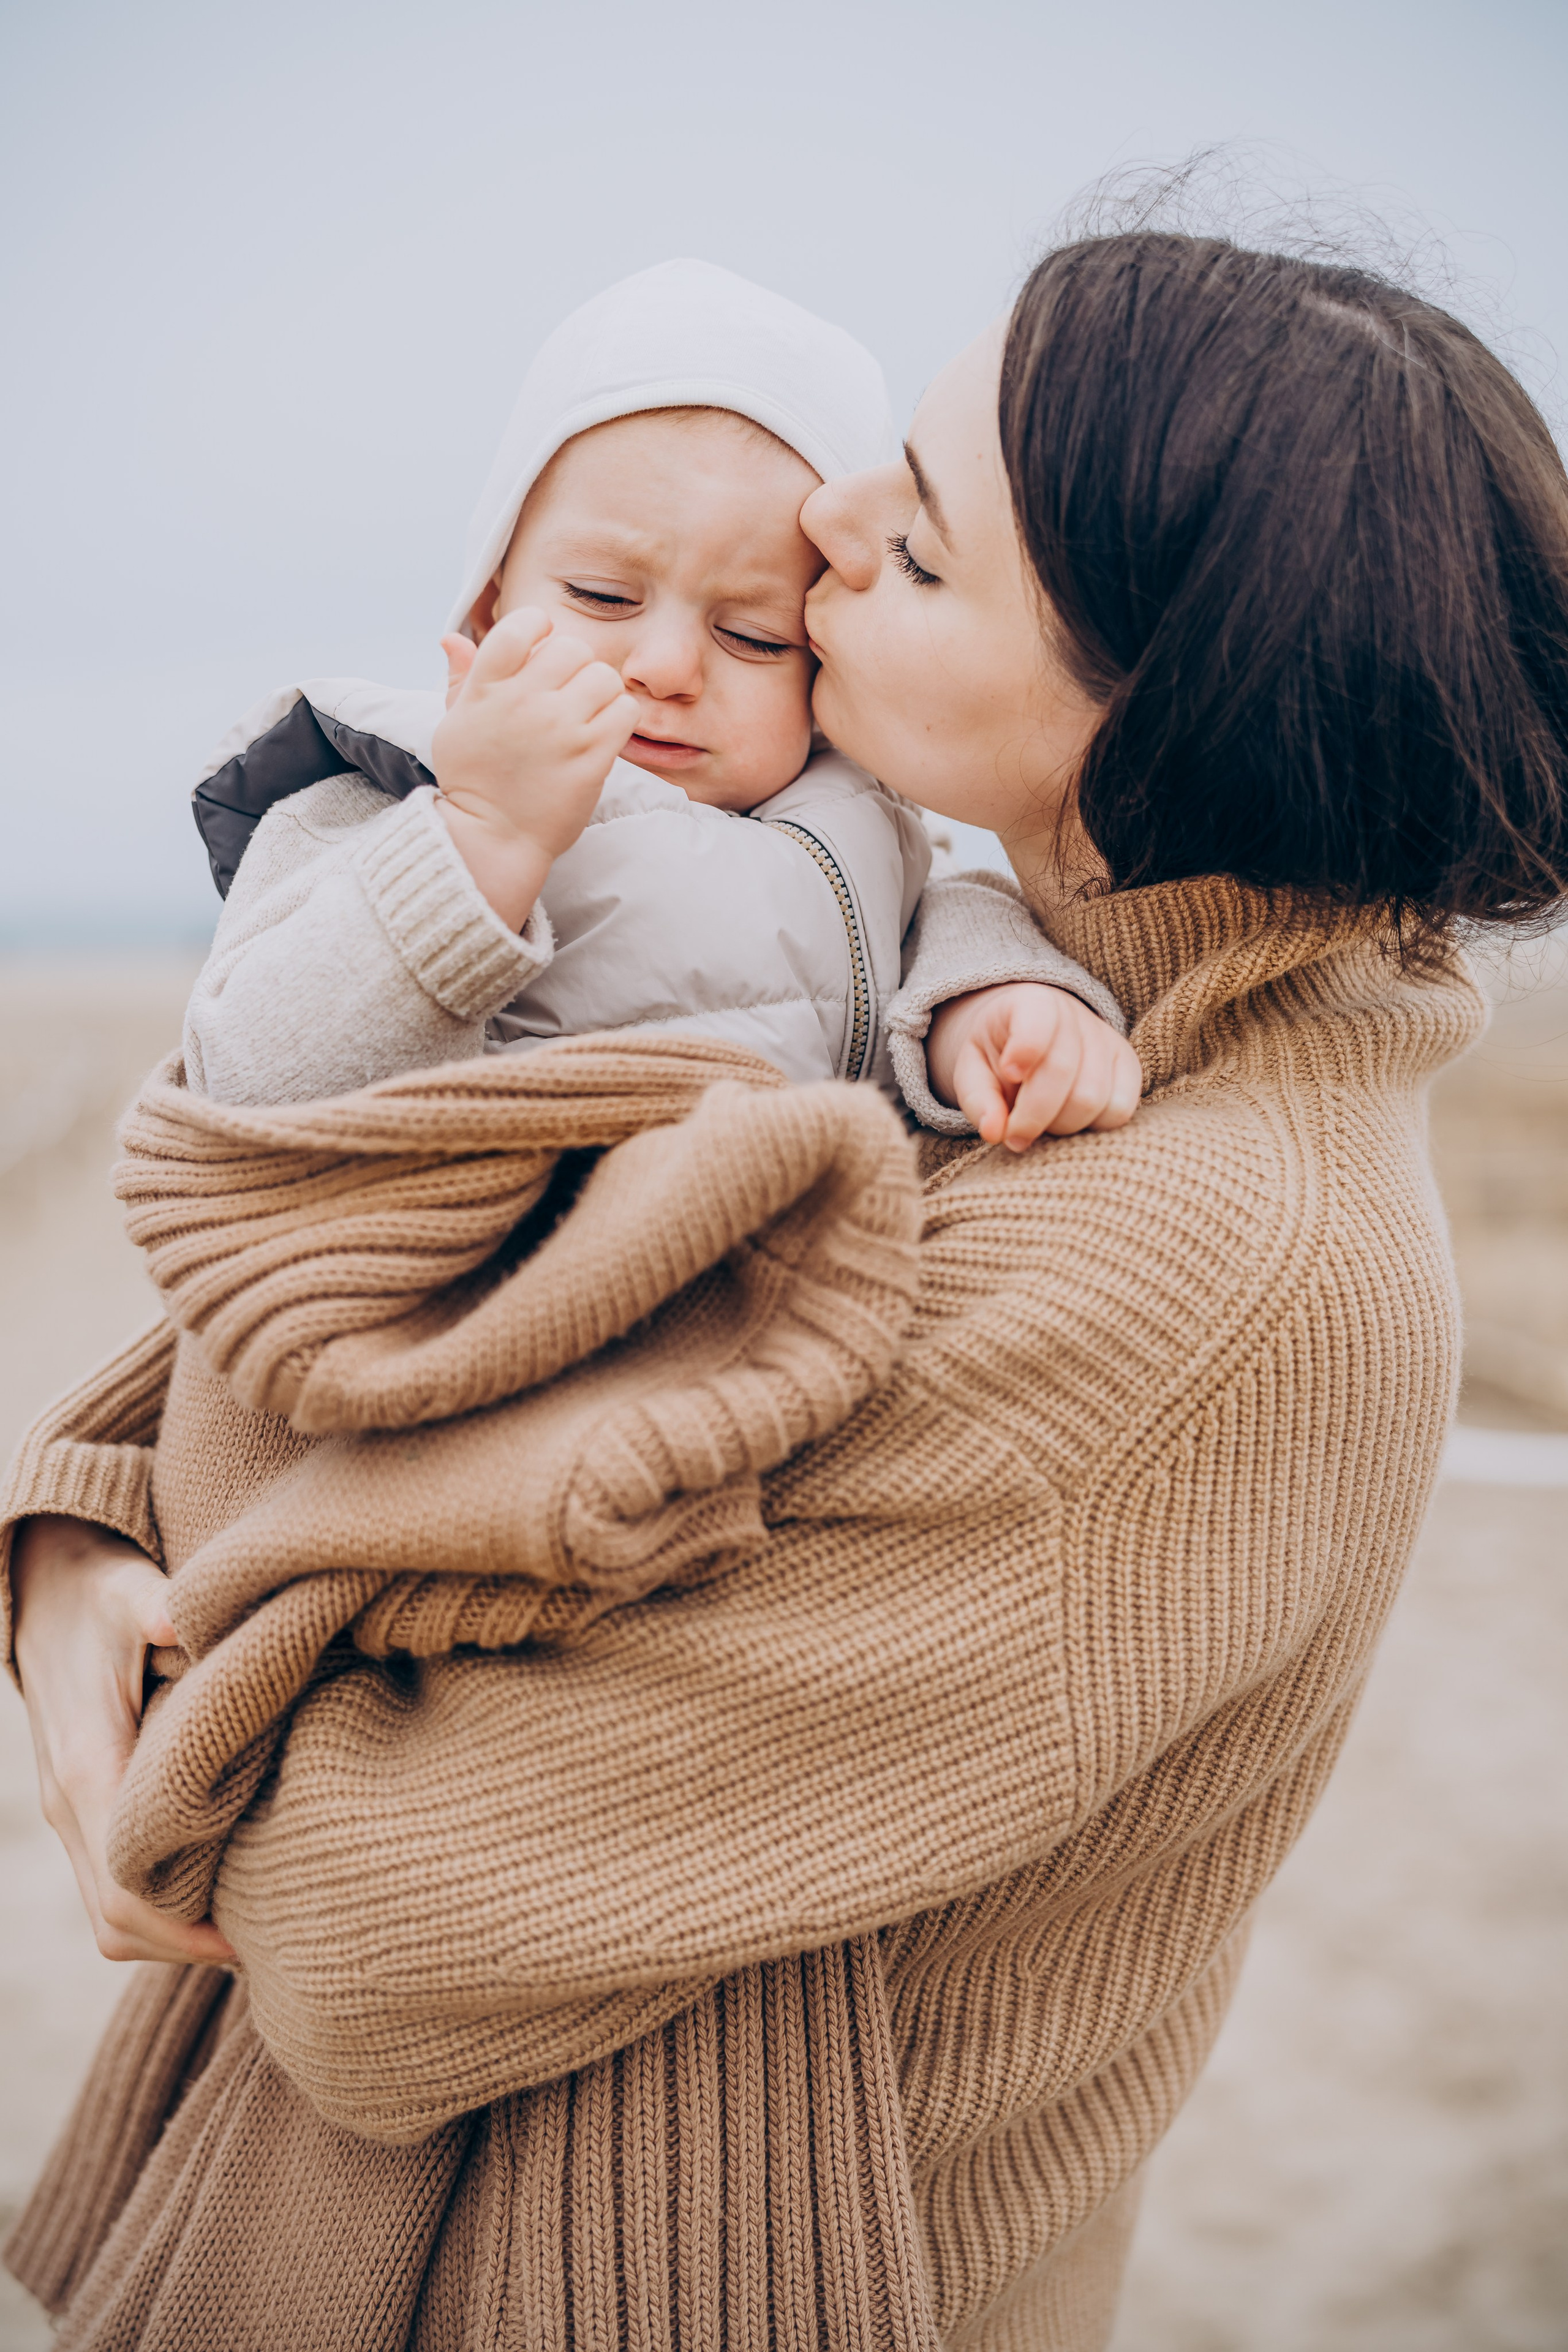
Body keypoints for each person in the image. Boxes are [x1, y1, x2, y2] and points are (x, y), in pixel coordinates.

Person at [6, 230, 1566, 2352]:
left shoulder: (1200, 1273)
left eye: (910, 545)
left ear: (1145, 726)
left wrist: (171, 1696)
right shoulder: (1056, 1018)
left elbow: (372, 1945)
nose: (823, 516)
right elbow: (508, 1260)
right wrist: (85, 1533)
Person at [184, 257, 1136, 1145]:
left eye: (754, 637)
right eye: (603, 598)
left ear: (819, 673)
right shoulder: (390, 791)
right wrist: (482, 838)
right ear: (488, 605)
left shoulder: (862, 828)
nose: (667, 667)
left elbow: (934, 930)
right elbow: (248, 1078)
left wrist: (997, 1005)